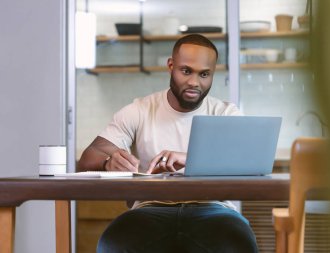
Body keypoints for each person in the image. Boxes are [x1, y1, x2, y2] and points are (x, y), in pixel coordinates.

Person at [78, 34, 259, 253]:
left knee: (239, 244)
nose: (194, 82)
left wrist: (190, 158)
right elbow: (89, 157)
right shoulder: (140, 110)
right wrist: (109, 162)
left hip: (214, 210)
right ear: (171, 66)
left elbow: (250, 161)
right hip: (149, 209)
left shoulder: (225, 113)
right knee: (113, 244)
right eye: (186, 71)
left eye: (204, 74)